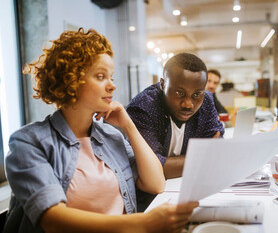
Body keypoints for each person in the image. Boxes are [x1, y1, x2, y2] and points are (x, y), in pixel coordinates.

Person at [4, 28, 198, 233]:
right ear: (71, 79)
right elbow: (52, 219)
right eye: (100, 76)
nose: (112, 86)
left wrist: (128, 126)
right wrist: (143, 224)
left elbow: (156, 184)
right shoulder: (28, 142)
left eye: (111, 77)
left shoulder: (111, 136)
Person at [126, 53, 224, 210]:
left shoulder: (206, 100)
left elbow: (217, 148)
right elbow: (155, 168)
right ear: (163, 84)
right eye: (179, 93)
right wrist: (205, 156)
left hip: (192, 189)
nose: (188, 104)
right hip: (150, 202)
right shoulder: (142, 108)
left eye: (197, 94)